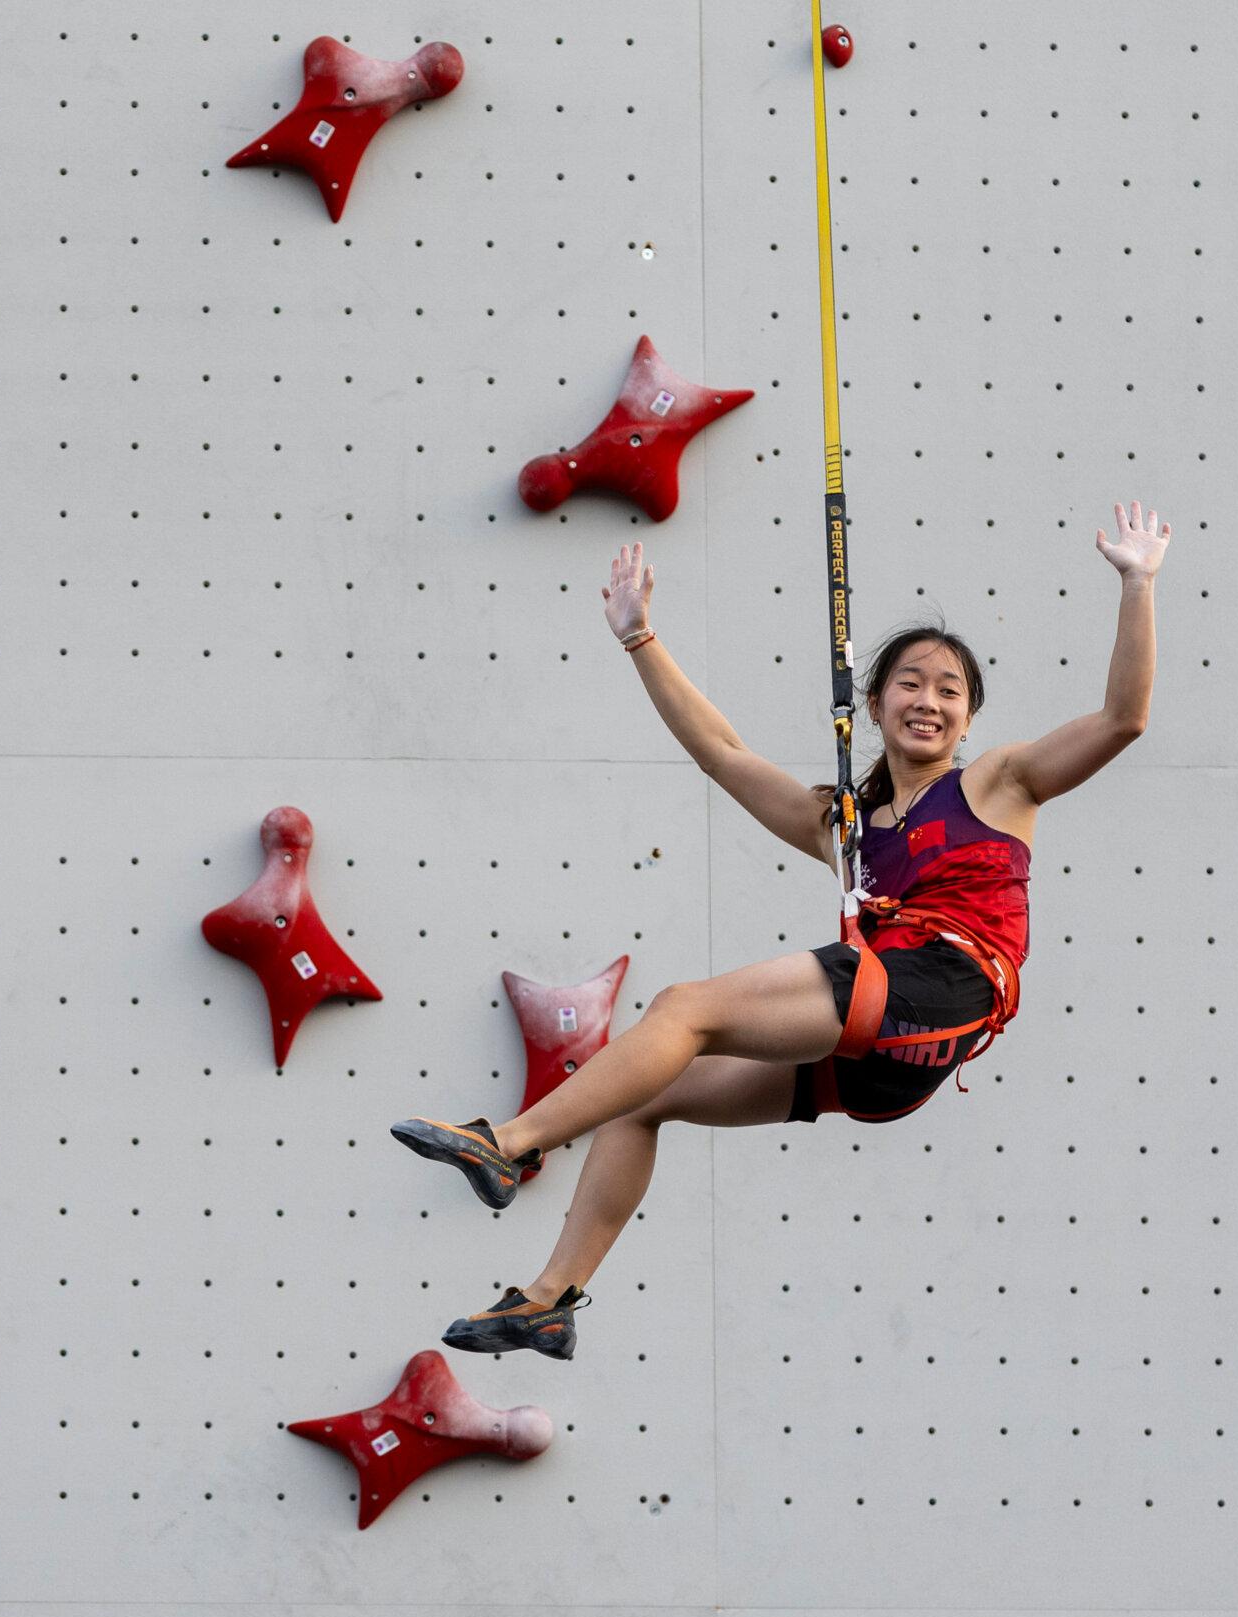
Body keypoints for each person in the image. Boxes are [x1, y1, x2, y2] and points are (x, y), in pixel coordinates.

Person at [392, 502, 1169, 1359]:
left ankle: (508, 1143)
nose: (929, 701)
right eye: (910, 682)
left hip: (941, 985)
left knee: (684, 1007)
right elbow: (721, 755)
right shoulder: (844, 823)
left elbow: (1120, 720)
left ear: (968, 722)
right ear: (873, 704)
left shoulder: (997, 783)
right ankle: (549, 1301)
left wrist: (1137, 583)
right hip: (882, 1061)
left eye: (950, 691)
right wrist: (638, 639)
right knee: (639, 1098)